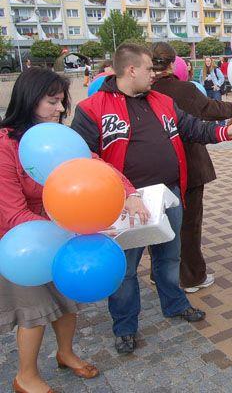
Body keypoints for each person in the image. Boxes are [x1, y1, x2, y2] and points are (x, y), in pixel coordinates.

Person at [70, 43, 232, 355]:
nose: (156, 74)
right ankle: (125, 326)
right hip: (122, 203)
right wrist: (124, 191)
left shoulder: (162, 99)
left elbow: (191, 128)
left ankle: (174, 304)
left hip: (167, 197)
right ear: (131, 70)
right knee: (124, 269)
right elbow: (84, 158)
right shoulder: (92, 108)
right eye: (149, 69)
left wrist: (226, 132)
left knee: (169, 257)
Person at [0, 68, 141, 392]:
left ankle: (66, 353)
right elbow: (11, 214)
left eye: (62, 102)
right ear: (30, 100)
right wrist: (62, 232)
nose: (61, 110)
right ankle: (26, 376)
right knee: (34, 312)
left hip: (62, 234)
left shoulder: (59, 141)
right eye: (52, 102)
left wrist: (129, 193)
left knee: (67, 302)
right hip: (25, 243)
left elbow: (95, 165)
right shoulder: (6, 145)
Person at [150, 42, 232, 293]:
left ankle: (161, 274)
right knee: (189, 223)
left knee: (158, 223)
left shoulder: (142, 91)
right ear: (172, 63)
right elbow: (210, 110)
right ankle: (191, 276)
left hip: (153, 168)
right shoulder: (183, 90)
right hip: (188, 164)